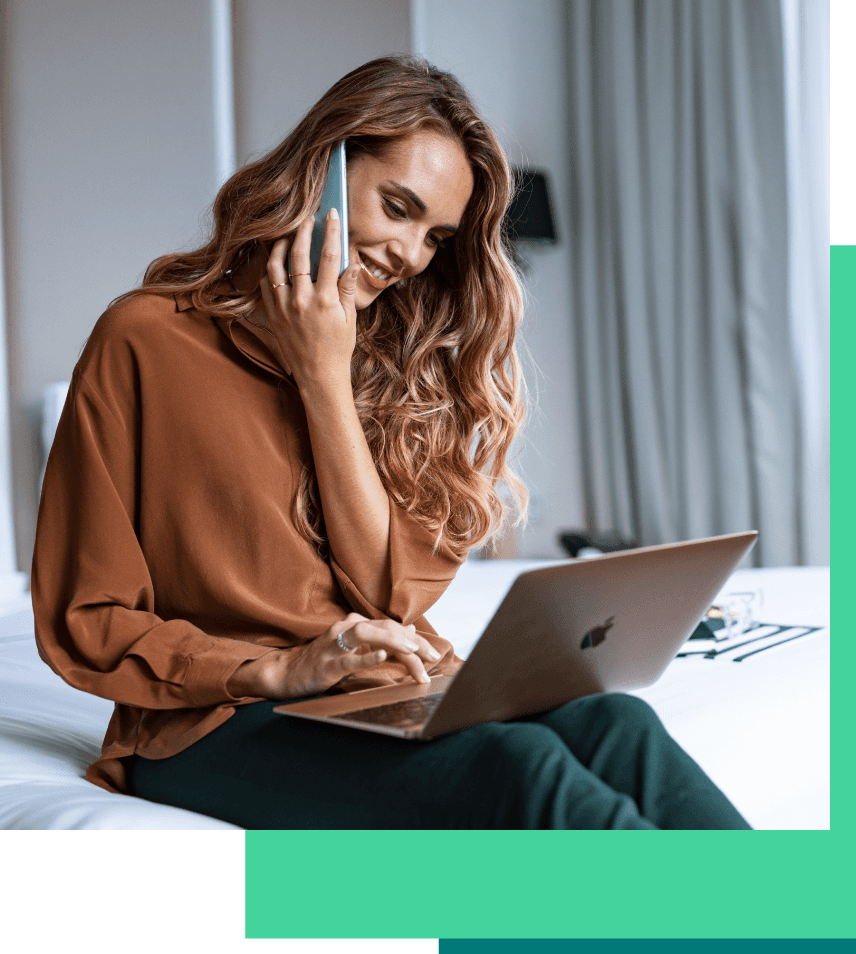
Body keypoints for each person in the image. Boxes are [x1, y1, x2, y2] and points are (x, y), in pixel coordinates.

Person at [32, 55, 750, 830]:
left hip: (384, 693)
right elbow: (87, 614)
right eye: (399, 207)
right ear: (325, 170)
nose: (412, 256)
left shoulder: (399, 358)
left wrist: (324, 375)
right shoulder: (144, 339)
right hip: (217, 720)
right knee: (523, 771)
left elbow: (392, 600)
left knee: (618, 726)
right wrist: (278, 667)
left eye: (437, 236)